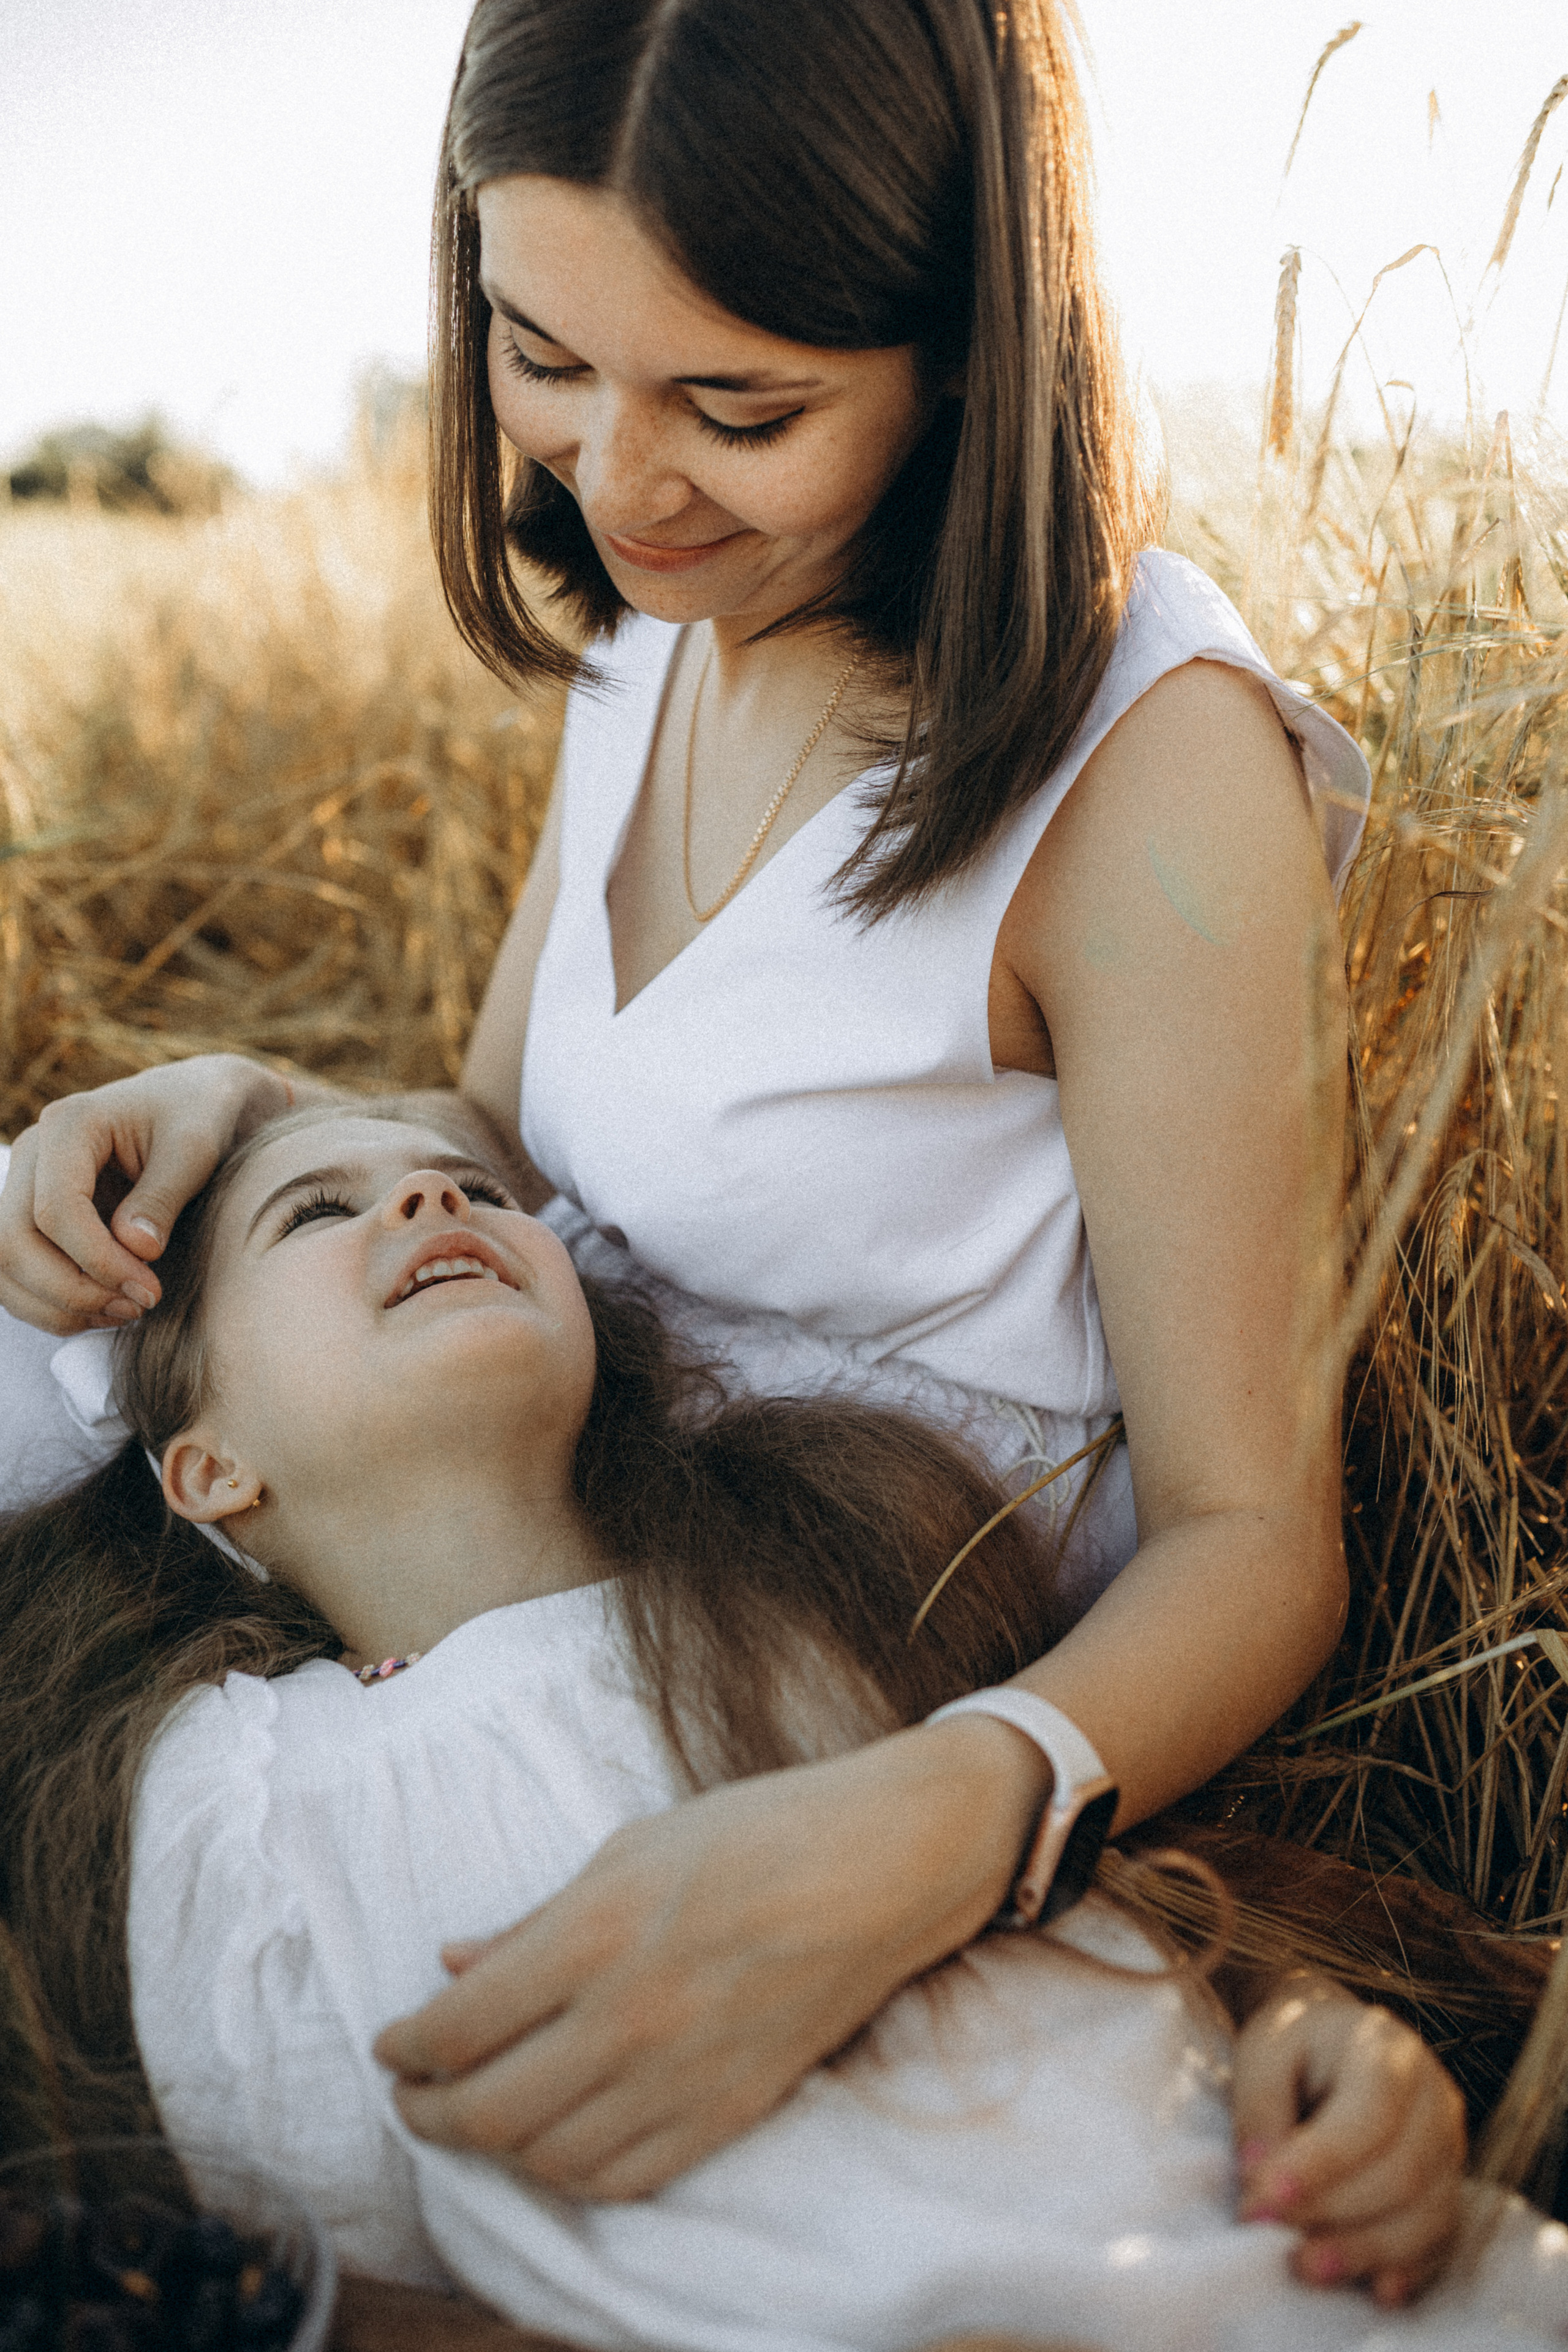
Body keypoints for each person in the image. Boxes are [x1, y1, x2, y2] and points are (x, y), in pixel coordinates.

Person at [0, 0, 1403, 2279]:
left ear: (968, 348)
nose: (613, 481)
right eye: (537, 355)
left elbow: (1258, 1541)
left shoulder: (1143, 769)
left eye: (738, 406)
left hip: (835, 1717)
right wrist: (245, 1119)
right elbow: (507, 1122)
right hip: (515, 1571)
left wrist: (922, 1832)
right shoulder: (661, 632)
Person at [6, 1099, 1553, 2352]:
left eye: (467, 1185)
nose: (427, 1206)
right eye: (320, 1211)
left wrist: (1334, 2047)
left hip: (1280, 2283)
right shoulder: (239, 1789)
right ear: (206, 1473)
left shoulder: (812, 1576)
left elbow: (1138, 1910)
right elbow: (335, 2278)